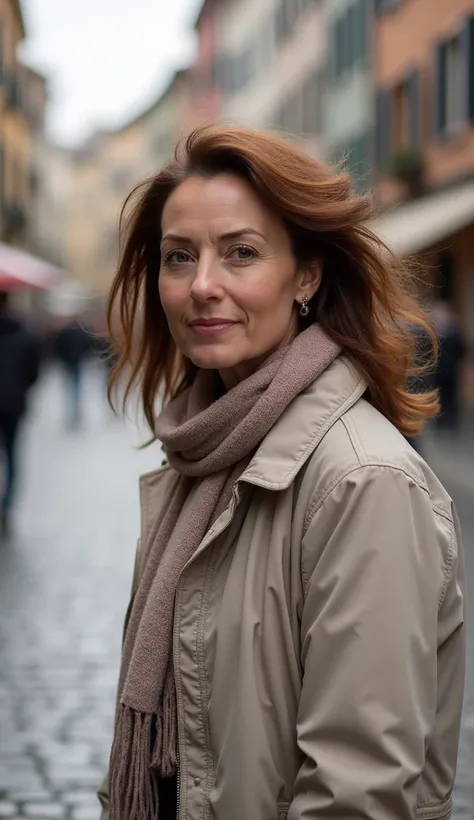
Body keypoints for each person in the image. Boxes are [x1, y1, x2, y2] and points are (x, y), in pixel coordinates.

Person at [99, 125, 465, 820]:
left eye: (240, 253)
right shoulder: (199, 459)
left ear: (306, 274)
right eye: (179, 258)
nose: (203, 285)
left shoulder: (363, 481)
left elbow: (356, 797)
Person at [0, 291, 40, 537]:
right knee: (12, 457)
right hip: (14, 405)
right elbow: (33, 373)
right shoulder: (24, 334)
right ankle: (6, 508)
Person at [432, 299, 466, 432]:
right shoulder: (435, 333)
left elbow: (461, 351)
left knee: (451, 398)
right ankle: (439, 422)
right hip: (437, 372)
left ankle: (451, 423)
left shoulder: (454, 333)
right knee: (439, 397)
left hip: (451, 372)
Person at [53, 316, 91, 427]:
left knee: (71, 386)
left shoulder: (65, 333)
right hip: (76, 362)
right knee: (76, 386)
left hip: (69, 362)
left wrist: (62, 358)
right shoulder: (80, 332)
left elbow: (57, 347)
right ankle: (75, 410)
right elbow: (87, 345)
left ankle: (73, 410)